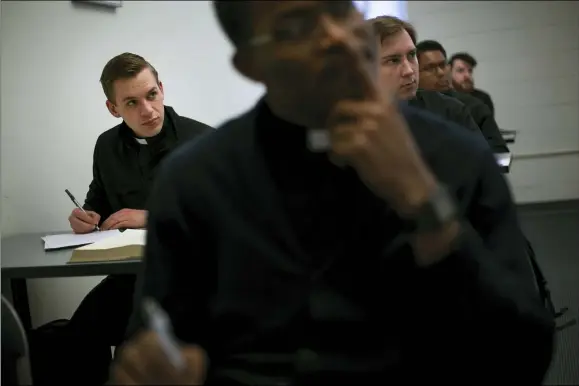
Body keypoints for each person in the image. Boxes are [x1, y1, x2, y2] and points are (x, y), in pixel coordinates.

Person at [113, 2, 554, 385]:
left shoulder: (454, 155)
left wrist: (425, 204)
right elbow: (154, 344)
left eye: (340, 8)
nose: (338, 37)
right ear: (251, 63)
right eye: (297, 26)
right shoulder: (196, 182)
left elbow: (525, 355)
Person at [65, 52, 213, 382]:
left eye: (151, 95)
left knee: (144, 352)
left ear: (161, 89)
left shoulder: (204, 141)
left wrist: (150, 216)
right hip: (130, 280)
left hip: (193, 283)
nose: (147, 110)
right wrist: (85, 218)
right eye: (131, 102)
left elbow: (225, 218)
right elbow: (98, 205)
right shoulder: (106, 147)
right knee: (78, 337)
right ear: (113, 109)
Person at [369, 15, 482, 136]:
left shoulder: (450, 112)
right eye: (393, 60)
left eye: (411, 55)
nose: (409, 70)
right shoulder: (351, 125)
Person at [415, 40, 508, 153]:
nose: (440, 73)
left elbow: (499, 150)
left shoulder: (474, 107)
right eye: (430, 68)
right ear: (415, 73)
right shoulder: (409, 109)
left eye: (442, 65)